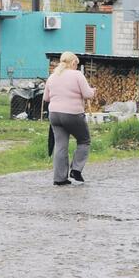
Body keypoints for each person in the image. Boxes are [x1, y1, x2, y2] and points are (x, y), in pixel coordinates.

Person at [42, 51, 96, 186]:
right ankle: (76, 169)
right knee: (84, 140)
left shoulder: (52, 76)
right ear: (73, 63)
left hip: (54, 115)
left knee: (60, 145)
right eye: (76, 64)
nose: (77, 67)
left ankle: (59, 179)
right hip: (72, 114)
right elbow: (87, 94)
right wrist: (93, 91)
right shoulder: (77, 75)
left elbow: (46, 98)